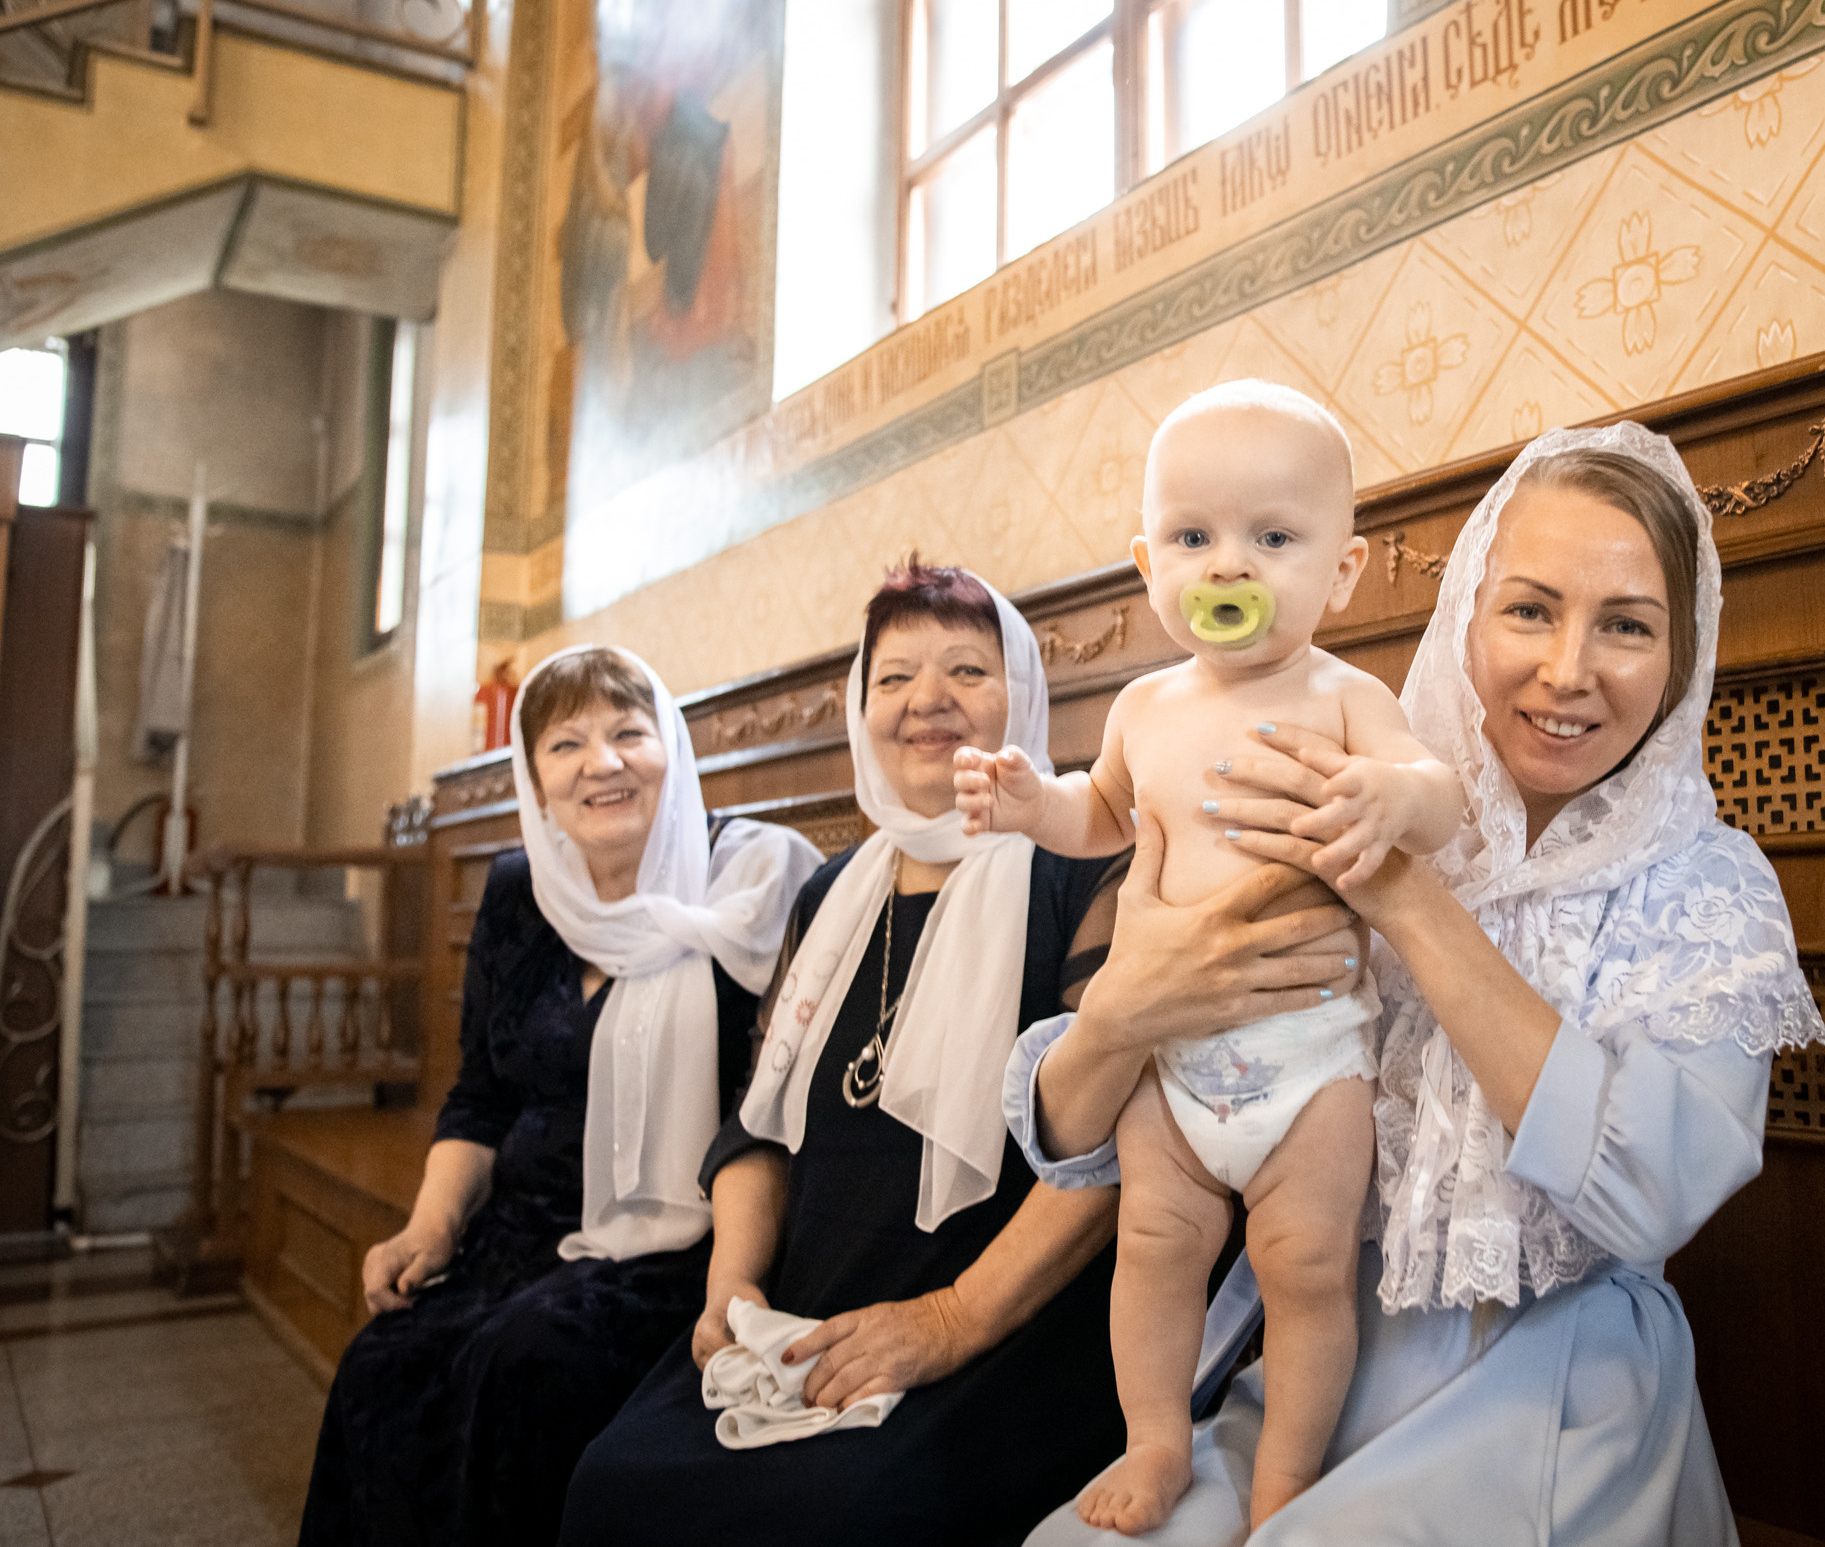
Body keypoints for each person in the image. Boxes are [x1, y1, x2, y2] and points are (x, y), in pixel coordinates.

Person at [1010, 422, 1825, 1544]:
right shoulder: (1319, 773)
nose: (1568, 669)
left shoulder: (1706, 887)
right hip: (1321, 1361)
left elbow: (1650, 1190)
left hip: (1554, 1388)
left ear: (1683, 654)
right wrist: (1124, 1006)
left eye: (1627, 625)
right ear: (1466, 618)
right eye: (1530, 608)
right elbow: (1074, 1136)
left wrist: (1406, 895)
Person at [558, 563, 1358, 1547]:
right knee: (612, 1479)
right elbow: (759, 1125)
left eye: (966, 670)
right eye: (892, 678)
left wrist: (950, 1319)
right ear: (860, 710)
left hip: (1010, 1325)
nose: (927, 700)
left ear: (1021, 694)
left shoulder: (1085, 866)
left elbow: (1126, 1136)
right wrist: (731, 1283)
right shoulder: (829, 892)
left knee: (836, 1515)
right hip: (807, 1302)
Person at [954, 381, 1463, 1534]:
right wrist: (1037, 801)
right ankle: (1158, 1441)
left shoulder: (1346, 696)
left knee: (1306, 1267)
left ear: (1340, 569)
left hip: (1310, 1053)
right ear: (1149, 563)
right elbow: (1105, 817)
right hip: (1170, 1063)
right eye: (1193, 537)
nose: (1228, 567)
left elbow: (1443, 800)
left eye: (1273, 539)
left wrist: (1391, 794)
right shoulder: (1143, 707)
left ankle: (1283, 1473)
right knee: (1152, 1246)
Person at [299, 645, 821, 1547]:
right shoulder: (518, 895)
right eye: (566, 745)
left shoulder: (749, 885)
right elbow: (480, 1096)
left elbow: (767, 1114)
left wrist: (732, 1276)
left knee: (527, 1367)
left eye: (629, 733)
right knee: (381, 1365)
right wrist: (428, 1229)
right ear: (536, 783)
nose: (602, 763)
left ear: (674, 753)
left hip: (674, 1245)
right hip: (518, 1230)